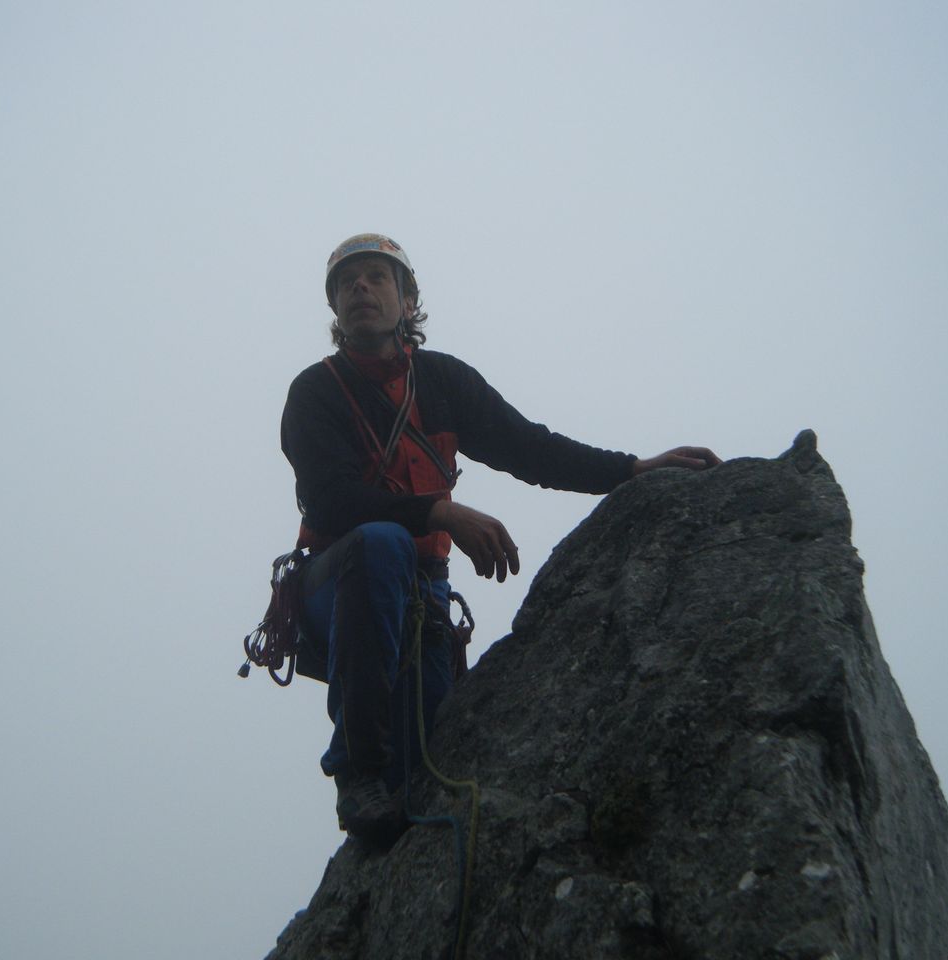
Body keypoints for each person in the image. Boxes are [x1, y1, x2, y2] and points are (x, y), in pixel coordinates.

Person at [281, 233, 720, 841]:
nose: (361, 287)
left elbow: (529, 448)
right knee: (380, 544)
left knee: (419, 768)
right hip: (339, 581)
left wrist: (630, 470)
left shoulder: (442, 382)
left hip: (418, 593)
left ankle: (384, 829)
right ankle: (357, 773)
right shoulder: (315, 392)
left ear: (408, 301)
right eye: (347, 281)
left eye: (378, 276)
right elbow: (331, 499)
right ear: (335, 306)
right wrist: (442, 513)